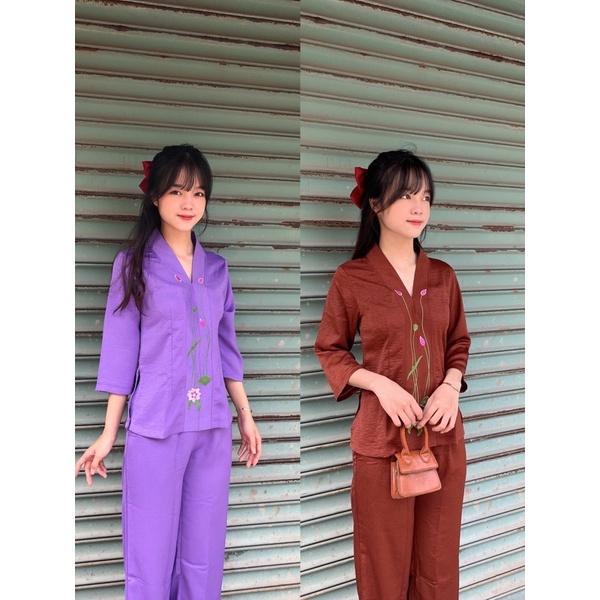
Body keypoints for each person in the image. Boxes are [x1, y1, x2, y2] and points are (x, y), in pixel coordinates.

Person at [75, 144, 262, 599]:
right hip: (155, 427)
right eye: (177, 191)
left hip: (211, 427)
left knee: (204, 555)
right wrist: (108, 433)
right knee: (150, 553)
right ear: (155, 196)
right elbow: (120, 352)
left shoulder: (217, 270)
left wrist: (245, 415)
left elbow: (227, 349)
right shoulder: (133, 265)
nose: (188, 203)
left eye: (198, 193)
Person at [313, 150, 471, 600]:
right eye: (405, 196)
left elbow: (459, 342)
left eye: (425, 196)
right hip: (382, 443)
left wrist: (450, 386)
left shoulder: (443, 277)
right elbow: (330, 348)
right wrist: (379, 384)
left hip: (443, 438)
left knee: (438, 569)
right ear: (376, 204)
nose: (419, 207)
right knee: (383, 569)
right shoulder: (353, 278)